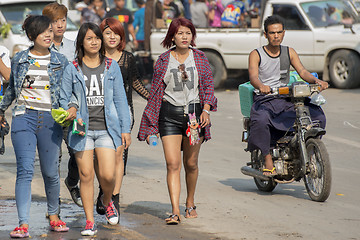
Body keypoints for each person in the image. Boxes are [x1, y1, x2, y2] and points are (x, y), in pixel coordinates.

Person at [138, 17, 217, 224]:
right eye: (180, 33)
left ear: (192, 36)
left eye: (188, 33)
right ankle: (175, 211)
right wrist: (151, 126)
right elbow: (155, 94)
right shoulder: (164, 60)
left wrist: (206, 109)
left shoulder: (200, 58)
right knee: (172, 164)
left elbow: (208, 86)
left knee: (191, 164)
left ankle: (190, 202)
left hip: (194, 118)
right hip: (169, 116)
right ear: (172, 36)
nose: (184, 37)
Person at [0, 15, 70, 238]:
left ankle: (54, 216)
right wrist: (1, 110)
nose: (49, 34)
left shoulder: (61, 61)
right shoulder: (20, 59)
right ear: (32, 36)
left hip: (51, 120)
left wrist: (73, 108)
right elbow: (11, 90)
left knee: (50, 173)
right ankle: (23, 223)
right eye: (44, 32)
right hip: (23, 118)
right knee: (25, 171)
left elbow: (70, 91)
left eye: (50, 30)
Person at [59, 22, 131, 236]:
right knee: (85, 174)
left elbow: (120, 100)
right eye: (89, 38)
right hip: (82, 130)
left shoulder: (111, 66)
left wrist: (125, 129)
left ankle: (106, 200)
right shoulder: (73, 67)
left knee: (108, 176)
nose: (94, 41)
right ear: (81, 41)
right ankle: (90, 221)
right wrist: (71, 106)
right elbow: (64, 97)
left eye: (97, 38)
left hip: (107, 129)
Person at [247, 15, 328, 176]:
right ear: (265, 34)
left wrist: (317, 81)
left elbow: (303, 71)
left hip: (285, 96)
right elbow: (253, 77)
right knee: (261, 120)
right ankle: (267, 157)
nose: (276, 36)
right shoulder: (256, 54)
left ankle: (307, 148)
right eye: (272, 33)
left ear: (284, 32)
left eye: (279, 32)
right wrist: (261, 86)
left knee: (317, 114)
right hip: (266, 98)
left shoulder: (289, 51)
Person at [95, 17, 150, 219]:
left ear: (121, 37)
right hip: (98, 113)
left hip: (123, 112)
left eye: (116, 33)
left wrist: (155, 99)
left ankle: (114, 199)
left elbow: (135, 82)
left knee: (119, 156)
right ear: (100, 35)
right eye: (108, 32)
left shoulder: (127, 58)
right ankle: (104, 190)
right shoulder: (93, 56)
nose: (112, 37)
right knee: (100, 158)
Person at [42, 1, 83, 208]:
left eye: (63, 20)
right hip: (47, 111)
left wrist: (76, 106)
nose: (59, 25)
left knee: (78, 152)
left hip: (70, 109)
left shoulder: (73, 47)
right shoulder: (40, 48)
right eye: (55, 21)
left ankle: (71, 182)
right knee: (53, 158)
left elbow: (78, 78)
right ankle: (54, 199)